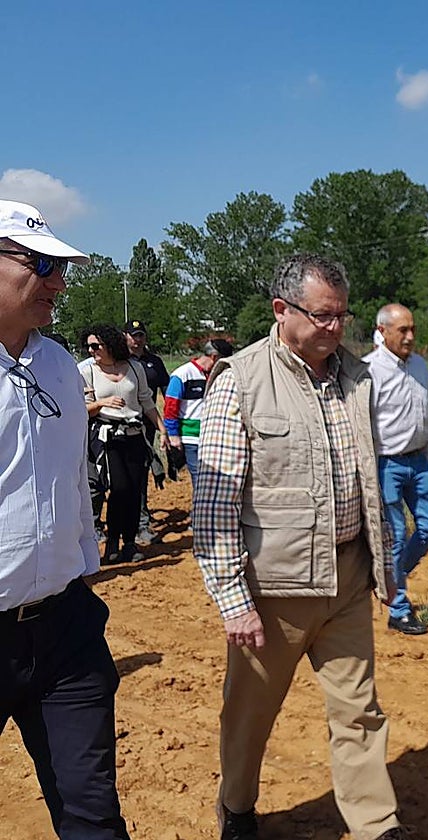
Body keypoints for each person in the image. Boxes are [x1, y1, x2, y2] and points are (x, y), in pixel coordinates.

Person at [194, 254, 409, 840]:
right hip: (274, 589)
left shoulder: (358, 378)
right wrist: (232, 598)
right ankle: (236, 808)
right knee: (250, 715)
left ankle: (375, 823)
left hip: (347, 578)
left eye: (342, 316)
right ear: (281, 310)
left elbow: (370, 479)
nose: (335, 328)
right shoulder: (239, 379)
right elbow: (213, 502)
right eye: (322, 316)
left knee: (358, 710)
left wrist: (383, 568)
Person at [0, 199, 131, 837]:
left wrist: (84, 565)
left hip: (64, 630)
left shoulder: (55, 363)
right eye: (41, 264)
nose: (58, 282)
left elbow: (73, 479)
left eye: (61, 268)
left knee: (92, 813)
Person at [364, 304, 428, 636]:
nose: (410, 337)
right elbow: (363, 424)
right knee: (394, 537)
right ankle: (398, 609)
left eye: (413, 329)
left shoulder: (421, 366)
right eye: (402, 331)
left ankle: (390, 578)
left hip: (418, 461)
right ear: (382, 332)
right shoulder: (369, 371)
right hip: (386, 464)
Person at [82, 323, 168, 565]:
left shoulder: (134, 367)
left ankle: (128, 543)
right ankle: (112, 541)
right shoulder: (87, 371)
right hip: (107, 438)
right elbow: (83, 409)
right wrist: (103, 403)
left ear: (110, 344)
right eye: (88, 346)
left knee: (133, 491)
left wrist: (162, 429)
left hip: (135, 434)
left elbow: (146, 401)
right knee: (118, 489)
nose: (91, 350)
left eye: (95, 345)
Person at [162, 338, 234, 481]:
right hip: (191, 437)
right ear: (214, 357)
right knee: (200, 478)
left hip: (214, 437)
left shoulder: (220, 376)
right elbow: (170, 407)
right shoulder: (182, 374)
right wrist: (173, 435)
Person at [125, 319, 169, 545]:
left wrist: (168, 425)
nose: (137, 339)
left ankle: (142, 523)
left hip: (146, 426)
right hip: (119, 425)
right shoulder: (120, 361)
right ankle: (101, 523)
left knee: (141, 473)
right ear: (125, 337)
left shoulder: (154, 362)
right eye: (133, 335)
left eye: (140, 335)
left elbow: (167, 394)